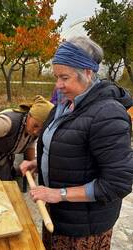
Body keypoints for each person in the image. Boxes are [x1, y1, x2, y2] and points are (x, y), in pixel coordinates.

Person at [20, 36, 133, 250]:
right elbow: (71, 149)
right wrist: (40, 162)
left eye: (64, 77)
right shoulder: (64, 104)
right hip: (58, 218)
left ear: (88, 73)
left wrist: (57, 194)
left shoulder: (107, 114)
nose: (58, 85)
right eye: (56, 77)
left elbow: (118, 183)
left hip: (84, 229)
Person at [0, 95, 54, 180]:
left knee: (3, 186)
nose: (35, 132)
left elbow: (30, 145)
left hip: (2, 157)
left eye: (41, 130)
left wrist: (30, 166)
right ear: (29, 115)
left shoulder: (33, 131)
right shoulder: (6, 123)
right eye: (35, 125)